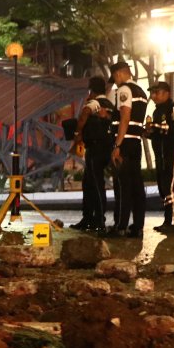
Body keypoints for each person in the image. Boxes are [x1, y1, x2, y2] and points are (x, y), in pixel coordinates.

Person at [109, 60, 149, 237]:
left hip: (125, 143)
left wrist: (117, 145)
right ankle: (138, 226)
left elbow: (124, 118)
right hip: (136, 143)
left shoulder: (124, 90)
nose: (116, 81)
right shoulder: (141, 91)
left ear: (119, 74)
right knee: (137, 186)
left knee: (123, 185)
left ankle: (121, 226)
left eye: (115, 78)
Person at [70, 76, 115, 231]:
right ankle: (89, 217)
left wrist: (77, 133)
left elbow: (84, 114)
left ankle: (97, 219)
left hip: (95, 149)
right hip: (106, 148)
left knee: (95, 184)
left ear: (92, 90)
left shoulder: (95, 102)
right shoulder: (110, 104)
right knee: (90, 182)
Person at [148, 81, 174, 233]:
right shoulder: (157, 111)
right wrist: (149, 133)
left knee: (170, 187)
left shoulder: (173, 108)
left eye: (157, 92)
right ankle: (167, 221)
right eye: (152, 93)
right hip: (161, 154)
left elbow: (173, 130)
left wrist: (154, 127)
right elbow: (158, 134)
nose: (153, 96)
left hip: (173, 151)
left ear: (167, 93)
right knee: (164, 189)